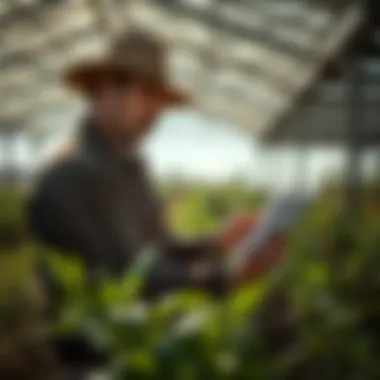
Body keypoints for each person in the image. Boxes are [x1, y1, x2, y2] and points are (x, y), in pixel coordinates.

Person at [28, 29, 286, 300]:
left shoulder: (130, 170)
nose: (156, 112)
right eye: (147, 94)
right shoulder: (68, 179)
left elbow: (156, 252)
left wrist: (218, 243)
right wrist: (229, 278)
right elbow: (123, 282)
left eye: (160, 100)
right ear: (105, 88)